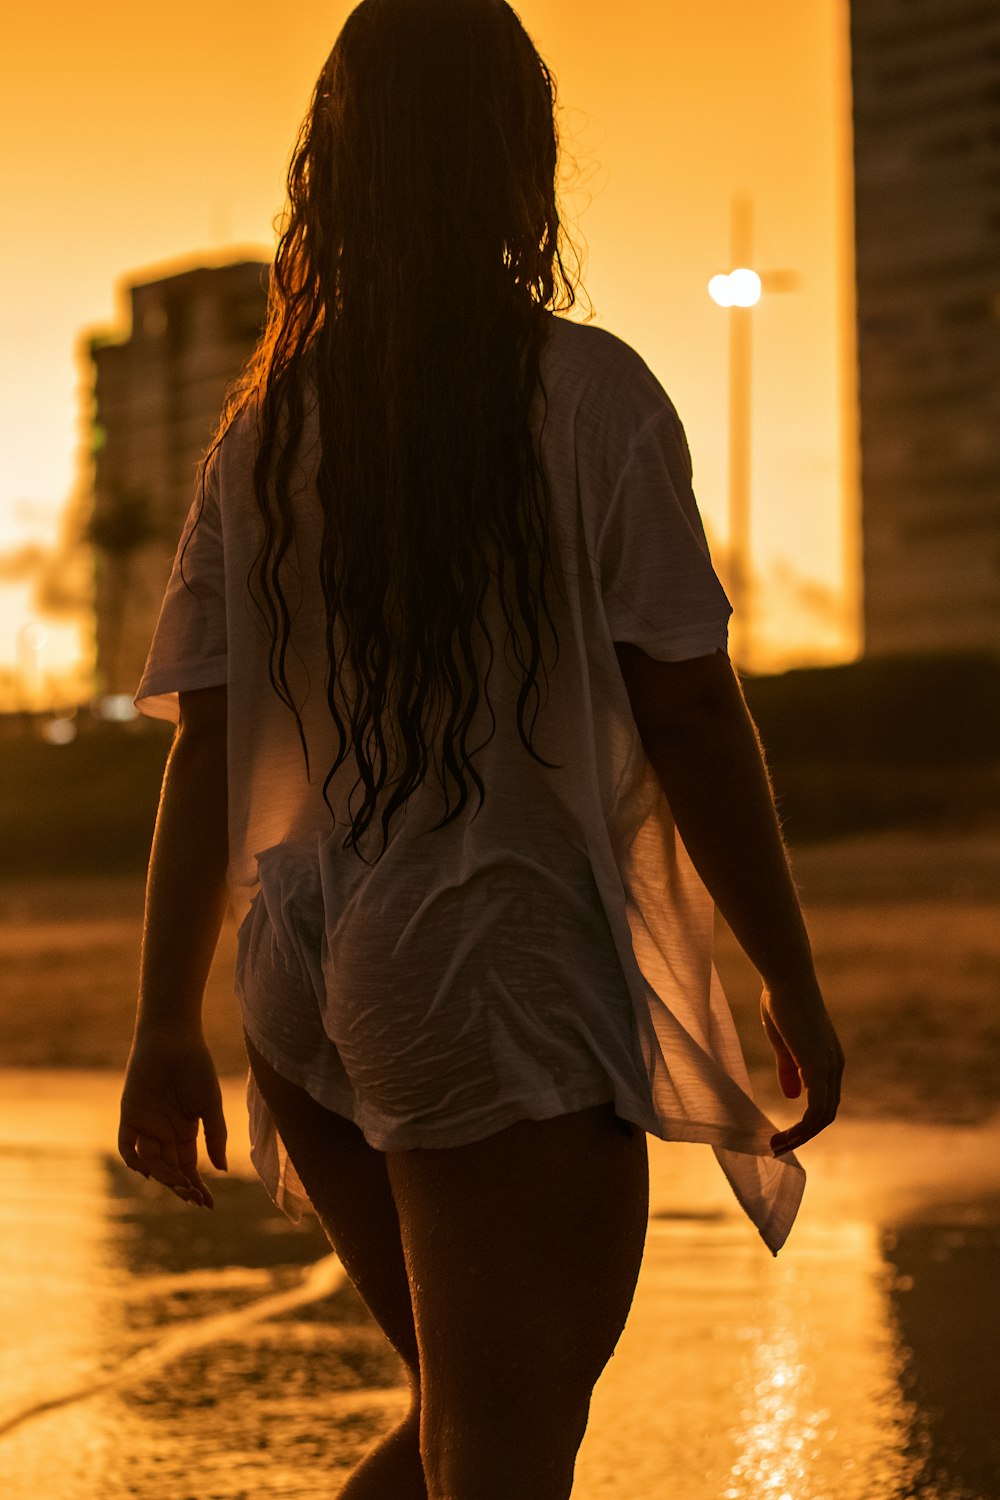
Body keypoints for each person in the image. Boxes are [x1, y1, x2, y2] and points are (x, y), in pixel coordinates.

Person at [117, 1, 845, 1496]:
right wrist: (790, 971)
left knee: (473, 1417)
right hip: (485, 963)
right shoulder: (588, 395)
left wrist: (164, 1024)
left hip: (304, 969)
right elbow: (692, 712)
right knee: (506, 1440)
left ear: (339, 169)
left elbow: (205, 746)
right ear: (521, 157)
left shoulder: (269, 430)